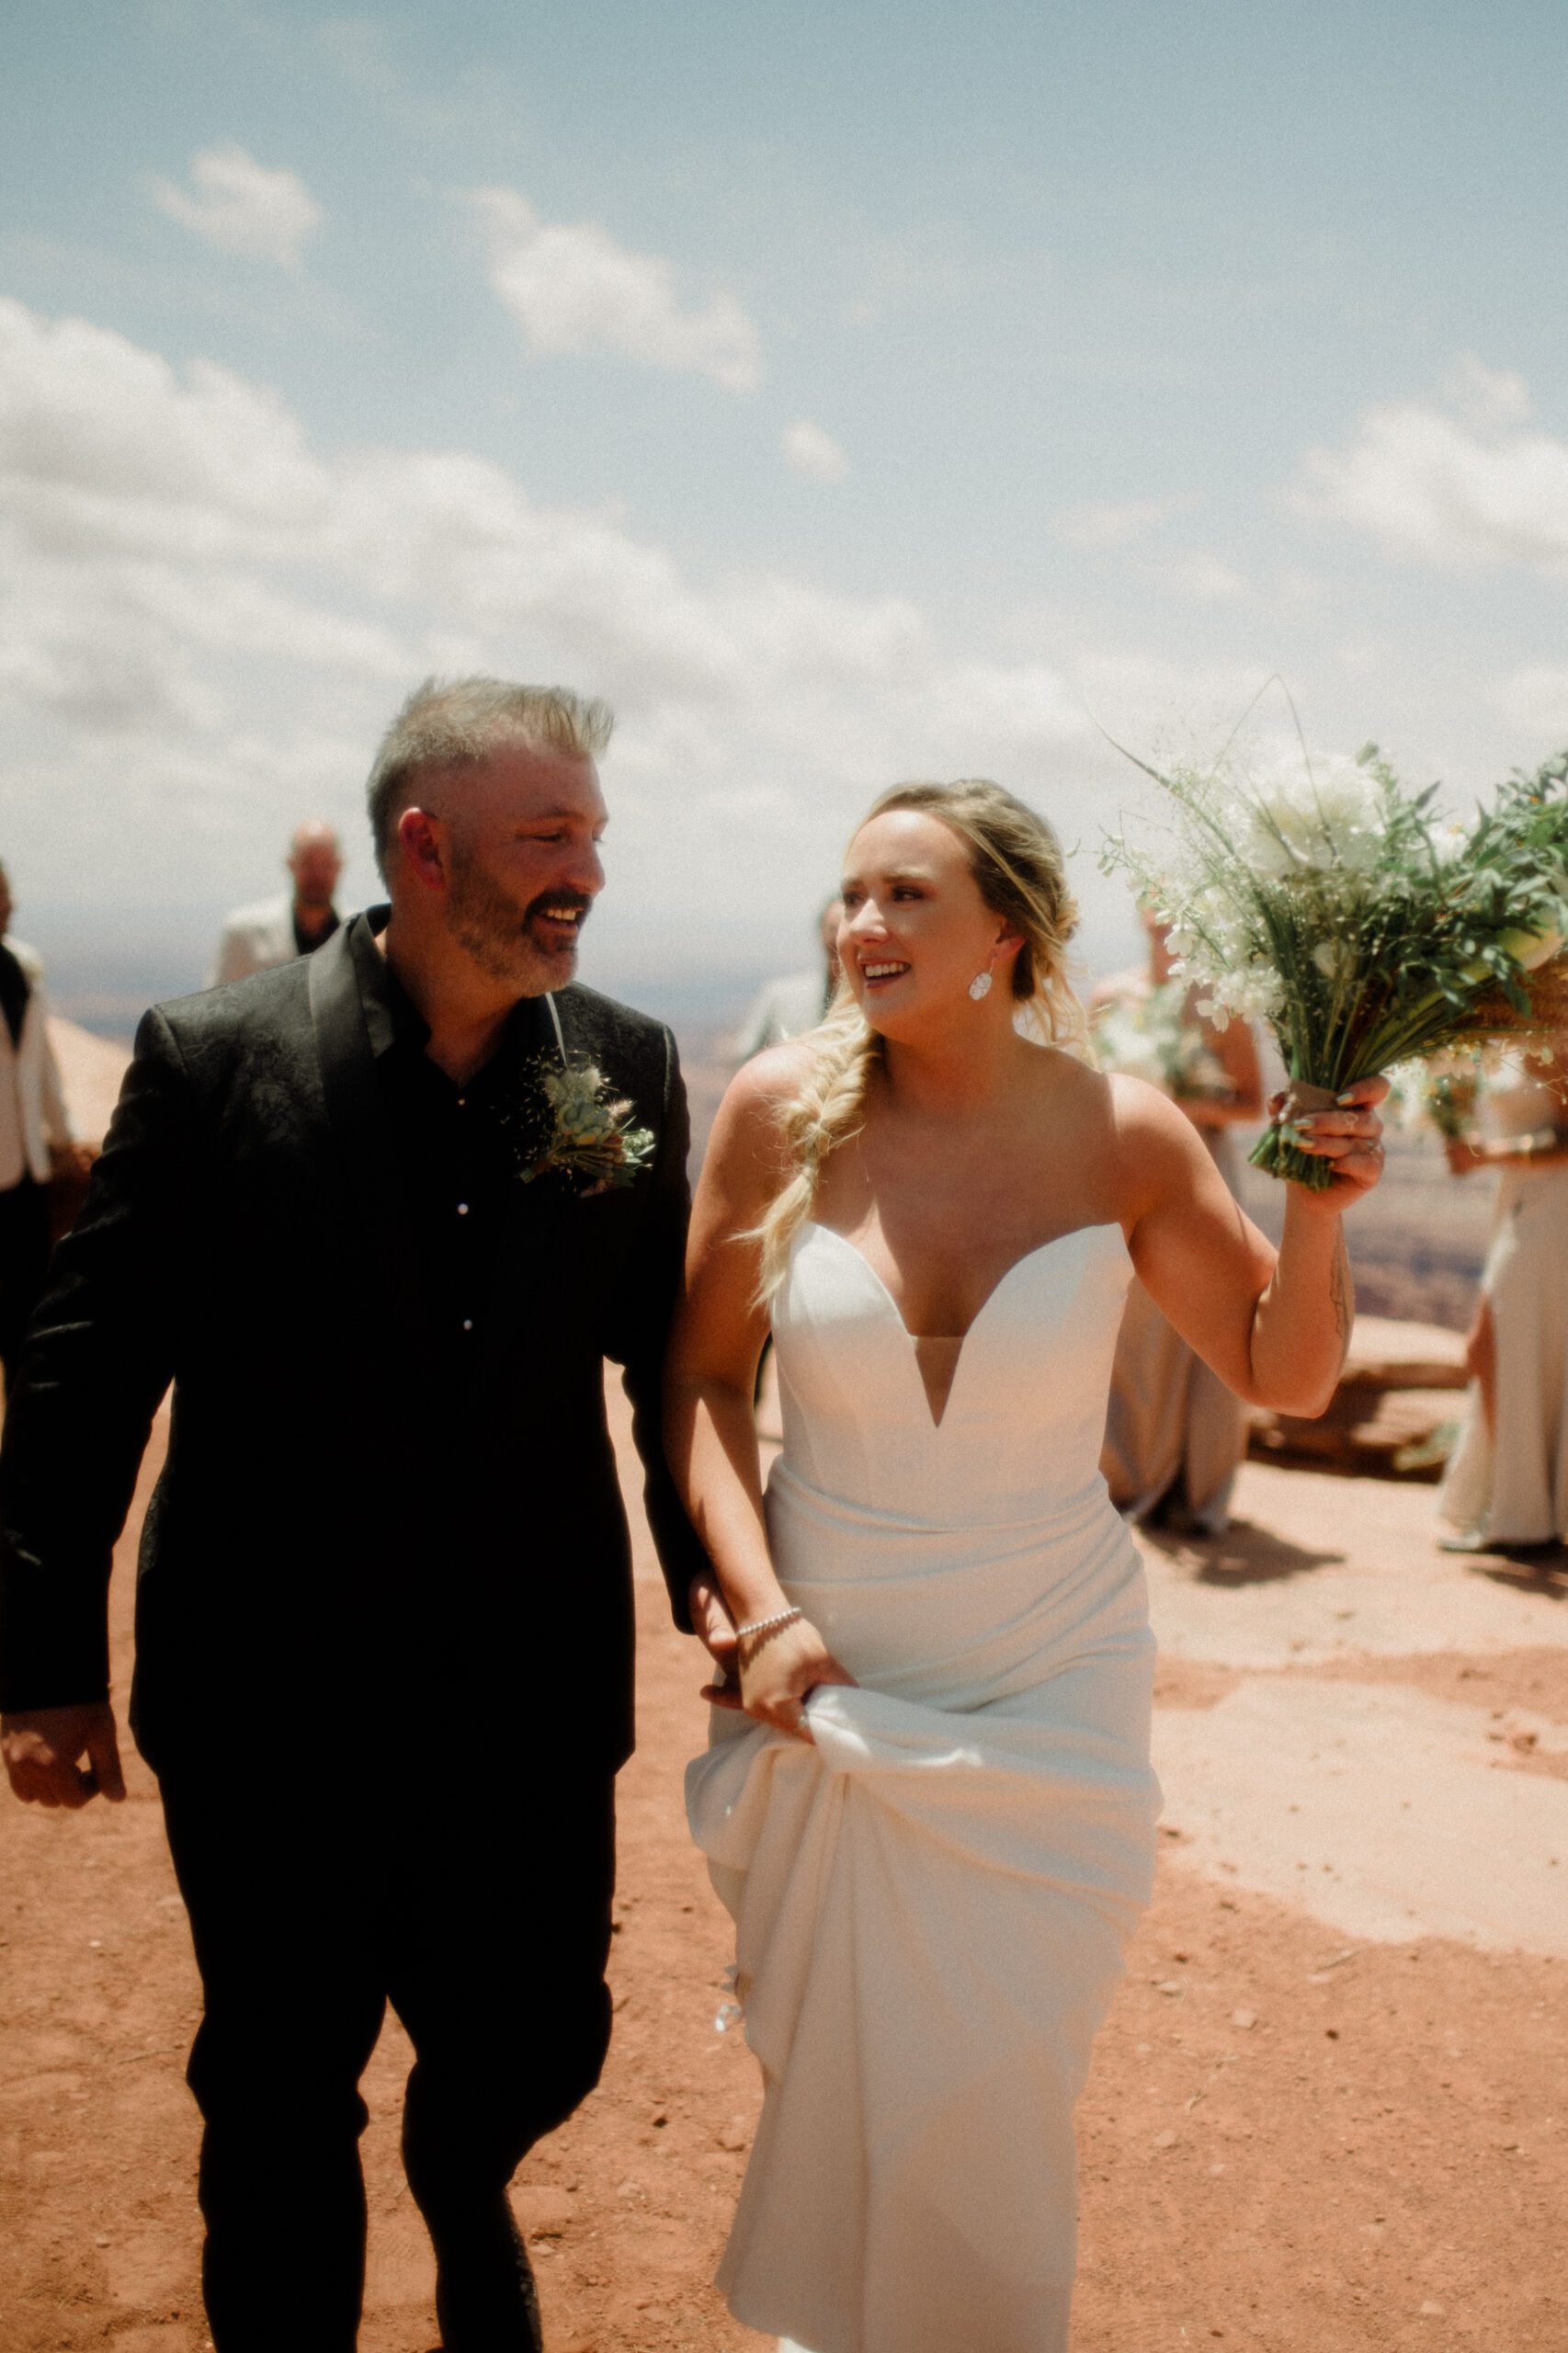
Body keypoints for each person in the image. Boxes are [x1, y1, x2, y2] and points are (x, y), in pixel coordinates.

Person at [0, 677, 709, 2353]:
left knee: (539, 2046)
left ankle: (465, 2185)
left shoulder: (624, 1062)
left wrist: (729, 1602)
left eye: (595, 838)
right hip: (268, 1698)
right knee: (274, 2099)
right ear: (422, 843)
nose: (585, 874)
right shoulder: (211, 1056)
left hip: (525, 1696)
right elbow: (87, 1369)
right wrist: (40, 1661)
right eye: (548, 837)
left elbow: (674, 1366)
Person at [669, 778, 1386, 2353]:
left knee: (992, 2080)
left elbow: (1285, 1373)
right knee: (842, 2068)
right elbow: (705, 1382)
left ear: (1010, 930)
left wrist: (1317, 1214)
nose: (864, 924)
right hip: (828, 1669)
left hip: (1049, 1672)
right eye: (850, 894)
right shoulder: (776, 1108)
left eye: (908, 895)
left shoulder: (1119, 1130)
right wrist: (763, 1612)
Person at [1092, 909, 1263, 1533]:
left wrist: (1170, 1103)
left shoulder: (1223, 1005)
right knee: (1129, 1329)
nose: (1166, 936)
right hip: (1125, 1177)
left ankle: (1193, 1488)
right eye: (1157, 924)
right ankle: (1126, 1480)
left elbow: (1250, 1105)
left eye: (1179, 924)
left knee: (1201, 1324)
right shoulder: (1111, 997)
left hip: (1201, 1172)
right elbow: (1085, 1091)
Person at [1437, 1040, 1568, 1550]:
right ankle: (1518, 1510)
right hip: (1518, 1201)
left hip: (1551, 1208)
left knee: (1490, 1348)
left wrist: (1485, 1154)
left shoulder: (1553, 1034)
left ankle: (1519, 1516)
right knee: (1502, 1351)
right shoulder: (1505, 1027)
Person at [0, 861, 74, 1394]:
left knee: (26, 1321)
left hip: (28, 1169)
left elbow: (42, 1062)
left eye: (6, 892)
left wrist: (64, 1135)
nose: (8, 904)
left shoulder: (22, 967)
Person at [210, 817, 345, 983]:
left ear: (339, 866)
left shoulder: (362, 933)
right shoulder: (243, 932)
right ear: (291, 864)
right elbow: (217, 1005)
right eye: (308, 863)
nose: (317, 875)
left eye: (326, 864)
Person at [730, 897, 842, 1065]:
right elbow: (745, 1058)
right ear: (820, 933)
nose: (838, 939)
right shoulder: (780, 996)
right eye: (833, 929)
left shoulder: (875, 1001)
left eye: (846, 930)